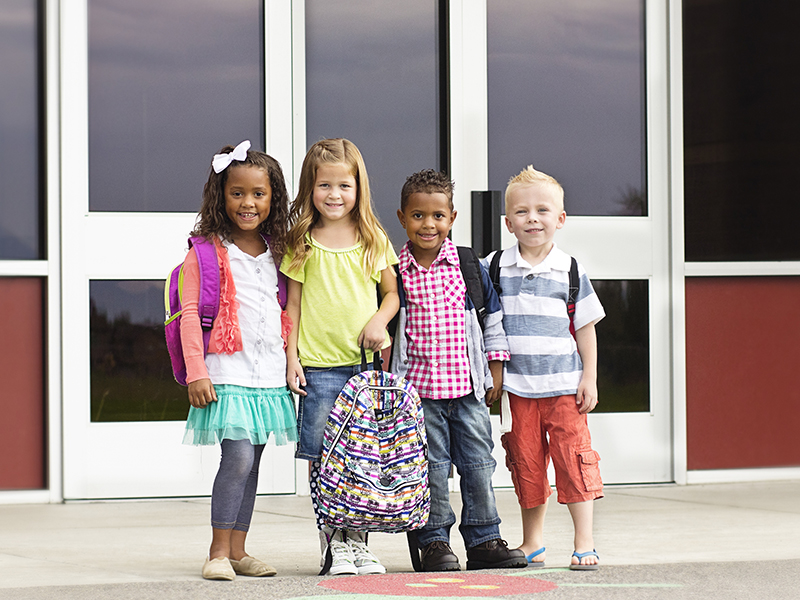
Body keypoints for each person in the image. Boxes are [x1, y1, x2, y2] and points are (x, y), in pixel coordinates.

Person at [390, 169, 527, 572]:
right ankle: (433, 543)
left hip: (468, 390)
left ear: (452, 217)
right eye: (418, 216)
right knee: (430, 470)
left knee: (478, 465)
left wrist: (496, 369)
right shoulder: (396, 271)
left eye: (437, 216)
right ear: (402, 218)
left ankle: (485, 539)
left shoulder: (468, 265)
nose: (427, 224)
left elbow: (492, 320)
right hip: (419, 395)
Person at [281, 138, 399, 576]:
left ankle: (360, 543)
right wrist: (291, 359)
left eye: (343, 185)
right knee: (326, 459)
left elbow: (391, 294)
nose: (334, 194)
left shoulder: (372, 238)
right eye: (324, 185)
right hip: (320, 368)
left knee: (362, 457)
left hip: (364, 370)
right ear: (310, 188)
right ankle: (334, 544)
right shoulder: (302, 241)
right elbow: (291, 307)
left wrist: (379, 322)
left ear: (358, 188)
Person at [181, 141, 298, 581]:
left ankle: (238, 550)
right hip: (226, 372)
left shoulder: (280, 252)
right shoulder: (207, 252)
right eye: (237, 193)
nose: (248, 203)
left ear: (273, 198)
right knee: (239, 460)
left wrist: (291, 362)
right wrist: (197, 370)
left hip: (267, 375)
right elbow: (189, 312)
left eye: (259, 194)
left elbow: (288, 311)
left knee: (254, 466)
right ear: (220, 195)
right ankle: (216, 551)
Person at [486, 165, 605, 571]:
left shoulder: (570, 269)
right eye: (521, 212)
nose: (532, 218)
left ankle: (583, 541)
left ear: (560, 219)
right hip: (518, 390)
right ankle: (532, 542)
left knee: (573, 461)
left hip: (564, 387)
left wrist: (589, 376)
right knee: (527, 463)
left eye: (542, 210)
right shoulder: (495, 268)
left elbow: (585, 329)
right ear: (507, 222)